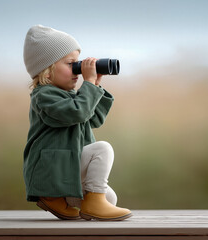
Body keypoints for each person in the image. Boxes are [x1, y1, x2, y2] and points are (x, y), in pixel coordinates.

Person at [22, 25, 132, 221]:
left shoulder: (69, 96)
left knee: (110, 198)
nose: (78, 70)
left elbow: (94, 119)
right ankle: (55, 195)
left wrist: (95, 85)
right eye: (71, 64)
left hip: (67, 163)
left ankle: (75, 199)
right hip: (52, 168)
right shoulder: (44, 96)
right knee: (102, 149)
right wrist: (87, 85)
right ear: (46, 71)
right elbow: (77, 112)